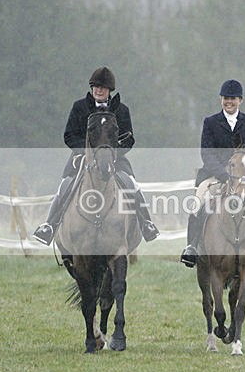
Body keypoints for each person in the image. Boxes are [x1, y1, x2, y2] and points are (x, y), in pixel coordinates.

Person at [33, 66, 159, 246]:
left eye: (103, 87)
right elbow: (69, 135)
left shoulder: (121, 110)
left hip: (115, 159)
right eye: (96, 86)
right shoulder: (79, 107)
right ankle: (49, 226)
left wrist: (113, 154)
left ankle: (146, 224)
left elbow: (129, 139)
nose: (99, 90)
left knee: (132, 184)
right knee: (65, 185)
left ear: (109, 90)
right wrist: (86, 153)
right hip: (81, 159)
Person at [180, 79, 245, 267]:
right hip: (215, 174)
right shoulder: (210, 122)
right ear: (221, 99)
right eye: (226, 98)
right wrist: (223, 174)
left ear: (240, 100)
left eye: (233, 98)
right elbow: (206, 153)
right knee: (197, 202)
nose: (229, 102)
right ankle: (191, 247)